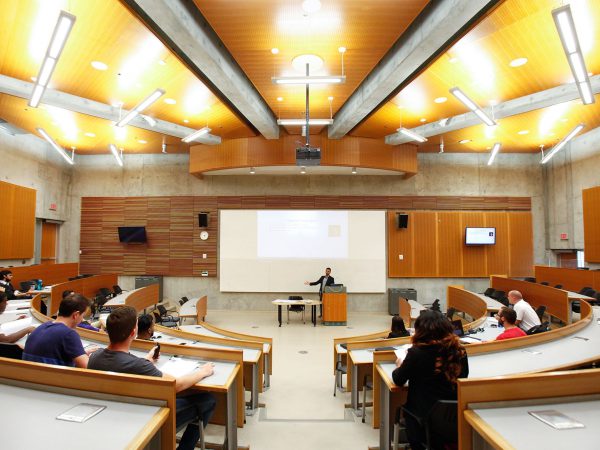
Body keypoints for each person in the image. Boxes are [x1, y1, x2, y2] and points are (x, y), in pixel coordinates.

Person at [88, 306, 216, 450]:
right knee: (208, 399)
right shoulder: (139, 366)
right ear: (133, 332)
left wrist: (147, 360)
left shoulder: (94, 357)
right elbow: (175, 385)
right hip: (145, 420)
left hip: (111, 417)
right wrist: (203, 372)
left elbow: (122, 364)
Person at [392, 310, 469, 450]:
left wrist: (400, 365)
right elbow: (463, 378)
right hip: (452, 420)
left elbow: (398, 379)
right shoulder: (460, 352)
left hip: (421, 420)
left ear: (420, 331)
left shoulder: (416, 353)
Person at [23, 294, 95, 367]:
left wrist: (82, 353)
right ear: (76, 315)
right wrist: (96, 357)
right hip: (49, 374)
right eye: (82, 316)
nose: (82, 320)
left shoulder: (42, 327)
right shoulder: (68, 334)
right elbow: (87, 366)